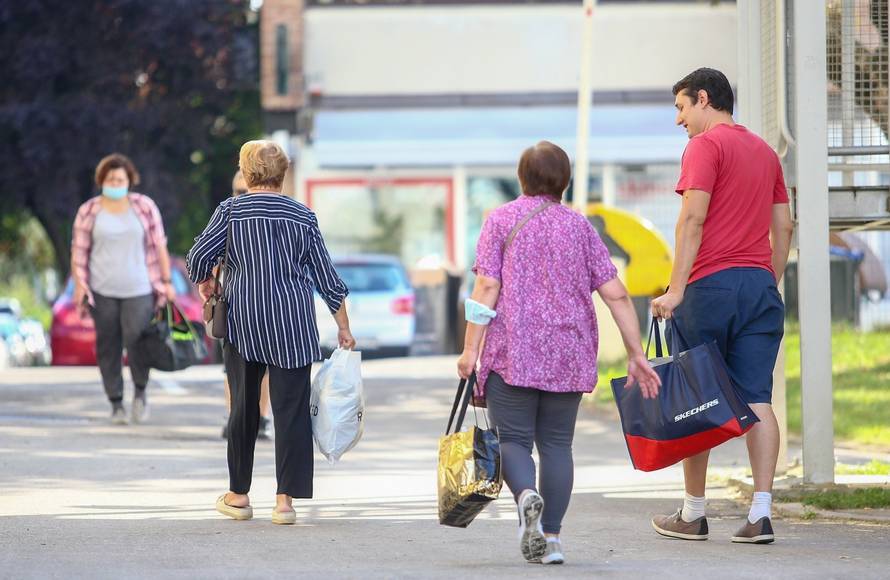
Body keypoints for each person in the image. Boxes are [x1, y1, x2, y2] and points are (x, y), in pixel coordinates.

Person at [457, 141, 661, 564]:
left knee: (512, 440)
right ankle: (551, 538)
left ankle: (527, 495)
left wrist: (469, 349)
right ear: (565, 181)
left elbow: (487, 288)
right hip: (568, 352)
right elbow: (617, 294)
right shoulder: (579, 227)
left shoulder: (500, 221)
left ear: (522, 178)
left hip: (512, 351)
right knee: (556, 444)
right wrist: (635, 352)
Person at [649, 68, 793, 545]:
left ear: (704, 99)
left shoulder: (705, 147)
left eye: (682, 107)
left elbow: (692, 218)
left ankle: (693, 513)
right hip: (758, 286)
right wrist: (764, 282)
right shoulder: (766, 152)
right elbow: (784, 228)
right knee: (758, 399)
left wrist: (675, 289)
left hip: (708, 287)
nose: (679, 120)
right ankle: (761, 514)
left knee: (698, 396)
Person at [187, 140, 356, 525]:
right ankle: (284, 503)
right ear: (283, 175)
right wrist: (343, 327)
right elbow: (327, 279)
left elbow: (199, 256)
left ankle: (239, 495)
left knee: (244, 411)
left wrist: (205, 284)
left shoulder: (231, 212)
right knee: (291, 413)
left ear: (246, 174)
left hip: (243, 323)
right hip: (292, 325)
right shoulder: (303, 217)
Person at [71, 153, 176, 425]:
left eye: (120, 179)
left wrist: (166, 283)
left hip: (139, 287)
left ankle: (140, 392)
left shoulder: (144, 207)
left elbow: (159, 245)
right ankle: (115, 401)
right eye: (110, 179)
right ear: (101, 181)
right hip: (102, 289)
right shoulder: (89, 211)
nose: (115, 182)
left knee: (137, 341)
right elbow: (79, 253)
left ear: (130, 181)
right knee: (108, 345)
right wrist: (80, 286)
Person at [219, 170, 272, 441]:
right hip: (236, 306)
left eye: (245, 190)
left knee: (264, 372)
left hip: (270, 306)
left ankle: (261, 419)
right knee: (232, 370)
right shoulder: (228, 216)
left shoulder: (276, 215)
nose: (241, 196)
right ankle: (235, 419)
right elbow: (210, 255)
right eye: (237, 192)